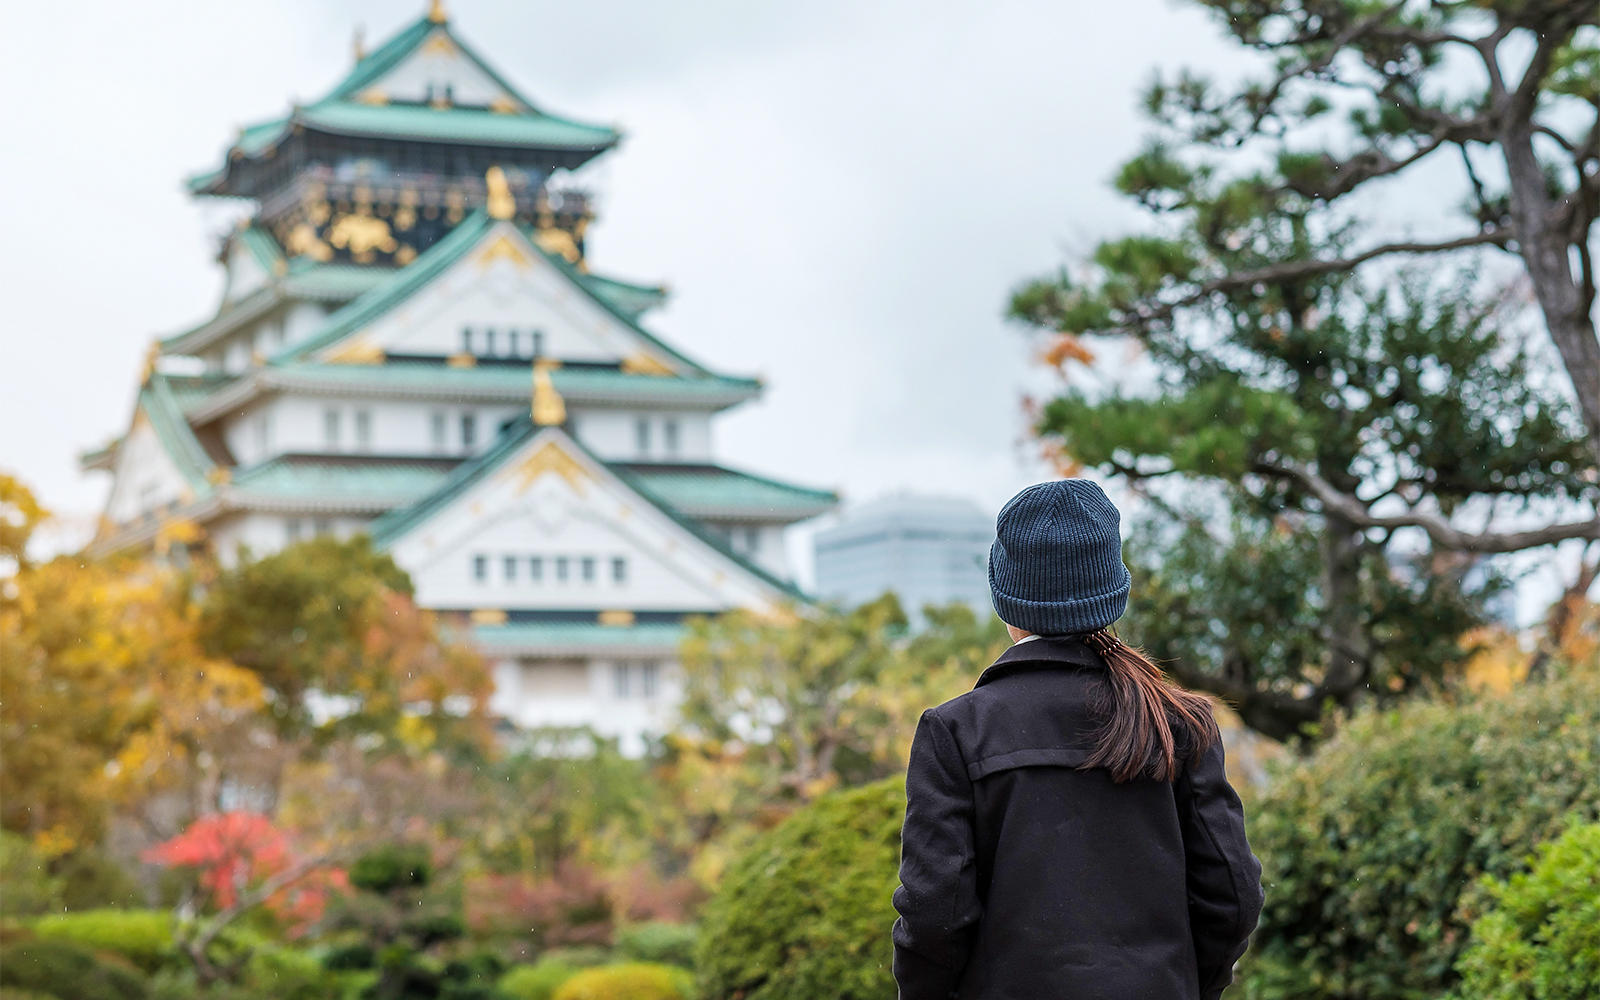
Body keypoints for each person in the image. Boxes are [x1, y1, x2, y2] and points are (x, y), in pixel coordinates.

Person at [892, 480, 1264, 1000]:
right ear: (1113, 589)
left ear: (1005, 596)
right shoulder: (1179, 721)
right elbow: (1233, 894)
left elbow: (936, 912)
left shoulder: (957, 731)